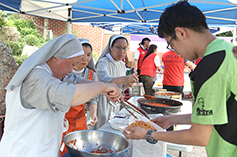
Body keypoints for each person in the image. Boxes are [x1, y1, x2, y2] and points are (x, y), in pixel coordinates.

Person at [123, 1, 237, 157]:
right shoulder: (227, 51)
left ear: (181, 33)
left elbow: (199, 136)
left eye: (171, 44)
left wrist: (149, 134)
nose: (175, 51)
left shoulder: (211, 67)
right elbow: (219, 113)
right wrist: (172, 119)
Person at [0, 34, 123, 157]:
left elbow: (75, 80)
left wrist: (102, 88)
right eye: (72, 65)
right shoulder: (36, 78)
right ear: (58, 58)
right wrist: (104, 87)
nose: (71, 70)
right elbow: (69, 95)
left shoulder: (53, 73)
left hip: (43, 149)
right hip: (23, 151)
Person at [59, 39, 98, 156]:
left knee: (80, 151)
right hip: (62, 122)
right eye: (81, 54)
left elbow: (92, 98)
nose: (85, 59)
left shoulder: (91, 75)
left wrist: (93, 113)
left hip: (80, 122)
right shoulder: (63, 73)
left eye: (88, 55)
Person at [93, 35, 138, 129]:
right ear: (111, 47)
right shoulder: (103, 62)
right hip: (102, 103)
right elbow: (106, 80)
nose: (122, 51)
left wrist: (128, 83)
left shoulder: (122, 64)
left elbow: (120, 87)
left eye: (125, 48)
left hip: (116, 102)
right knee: (101, 129)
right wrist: (126, 78)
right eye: (118, 47)